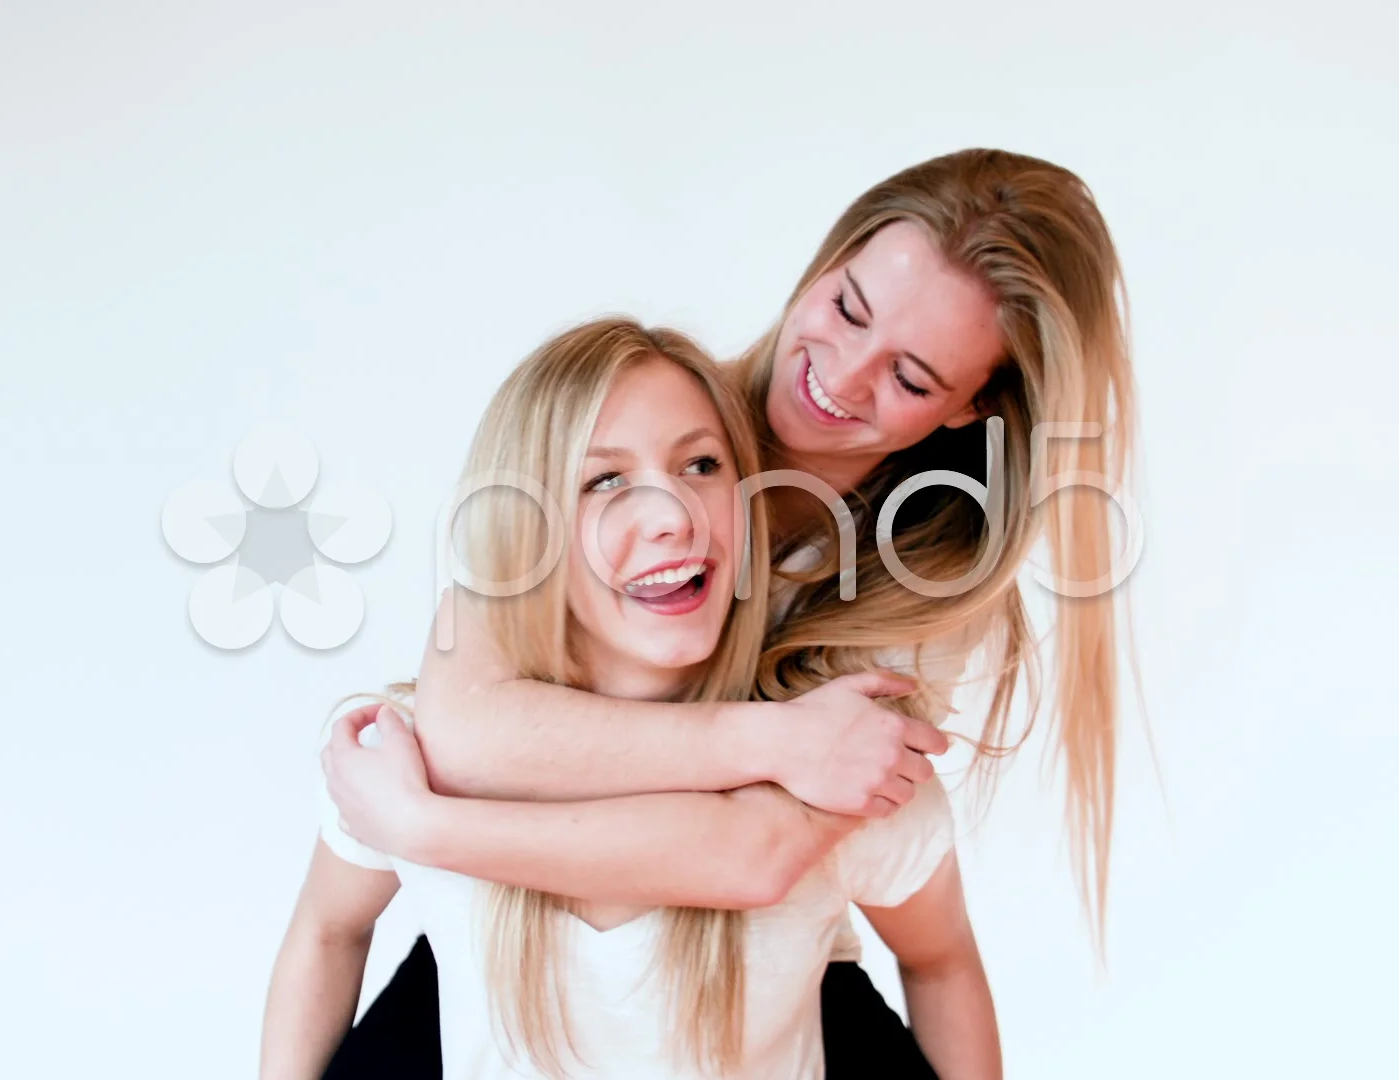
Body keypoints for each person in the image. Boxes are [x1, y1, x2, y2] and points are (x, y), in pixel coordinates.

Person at [317, 147, 1137, 1074]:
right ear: (825, 265)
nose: (840, 376)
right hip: (523, 926)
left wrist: (425, 832)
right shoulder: (653, 410)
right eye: (845, 309)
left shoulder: (928, 600)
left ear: (970, 407)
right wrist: (777, 740)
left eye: (909, 378)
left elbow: (757, 855)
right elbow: (467, 732)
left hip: (755, 966)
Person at [260, 319, 994, 1079]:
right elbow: (326, 929)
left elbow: (941, 964)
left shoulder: (838, 773)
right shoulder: (403, 762)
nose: (673, 514)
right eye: (602, 480)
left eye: (702, 464)